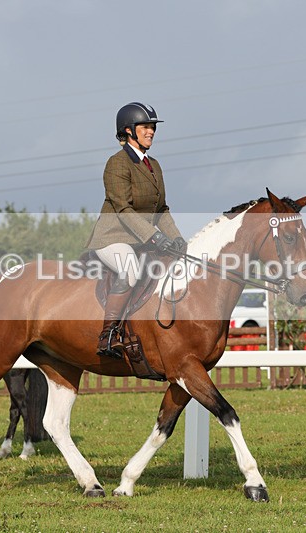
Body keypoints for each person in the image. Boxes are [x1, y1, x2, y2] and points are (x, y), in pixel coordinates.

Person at [85, 102, 185, 359]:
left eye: (152, 127)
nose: (151, 131)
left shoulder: (154, 165)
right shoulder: (117, 163)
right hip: (112, 238)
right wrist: (155, 236)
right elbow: (123, 208)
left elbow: (161, 210)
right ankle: (108, 335)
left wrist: (177, 239)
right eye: (145, 126)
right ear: (128, 131)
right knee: (129, 267)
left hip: (142, 239)